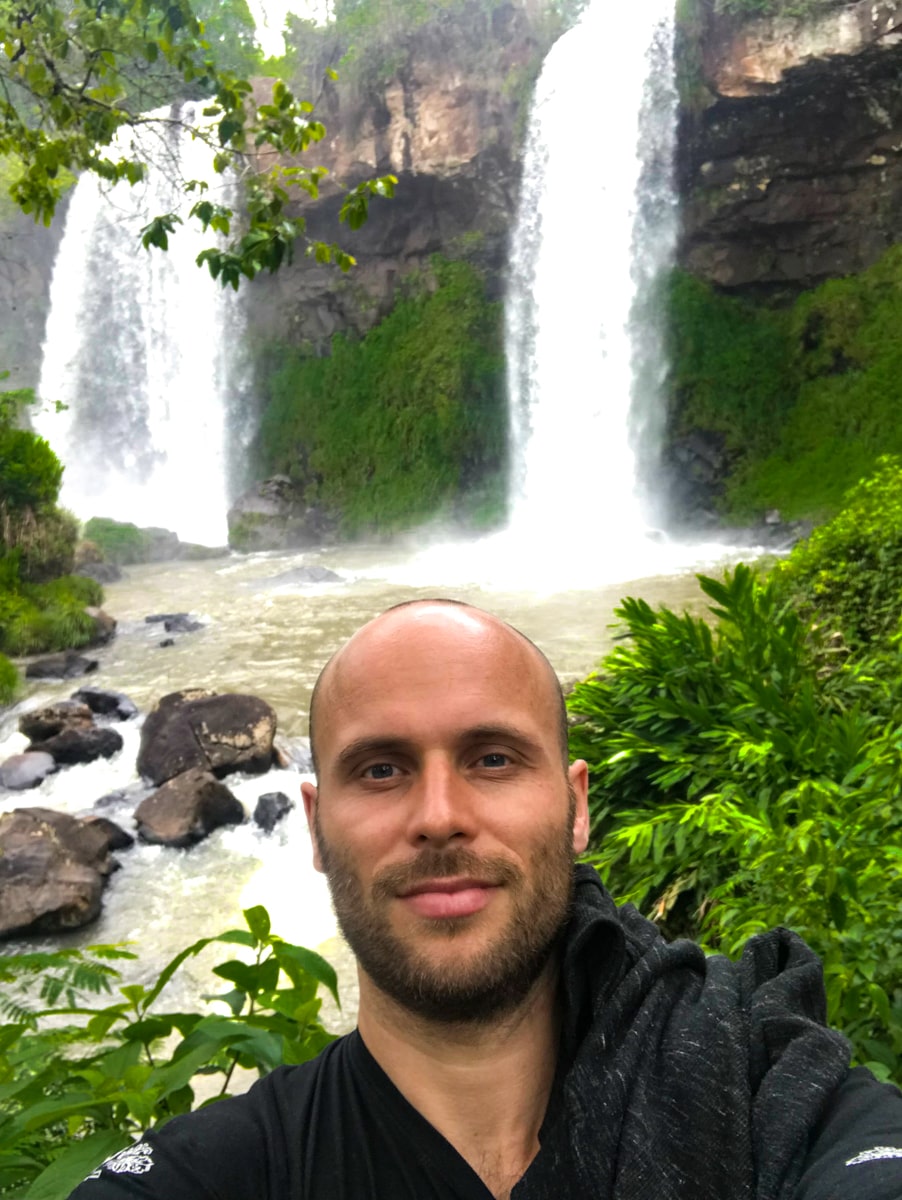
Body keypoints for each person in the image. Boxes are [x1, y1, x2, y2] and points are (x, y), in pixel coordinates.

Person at [71, 599, 902, 1200]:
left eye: (494, 759)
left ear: (576, 808)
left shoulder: (762, 1082)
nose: (440, 818)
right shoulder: (218, 1173)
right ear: (318, 829)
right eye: (382, 769)